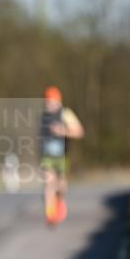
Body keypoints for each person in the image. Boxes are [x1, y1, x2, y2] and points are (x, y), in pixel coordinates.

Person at [40, 86, 85, 225]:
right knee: (48, 182)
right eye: (47, 102)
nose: (49, 105)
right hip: (47, 156)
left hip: (62, 155)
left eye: (52, 102)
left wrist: (62, 131)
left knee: (61, 185)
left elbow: (79, 132)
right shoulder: (43, 116)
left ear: (58, 101)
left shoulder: (66, 114)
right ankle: (50, 214)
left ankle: (59, 200)